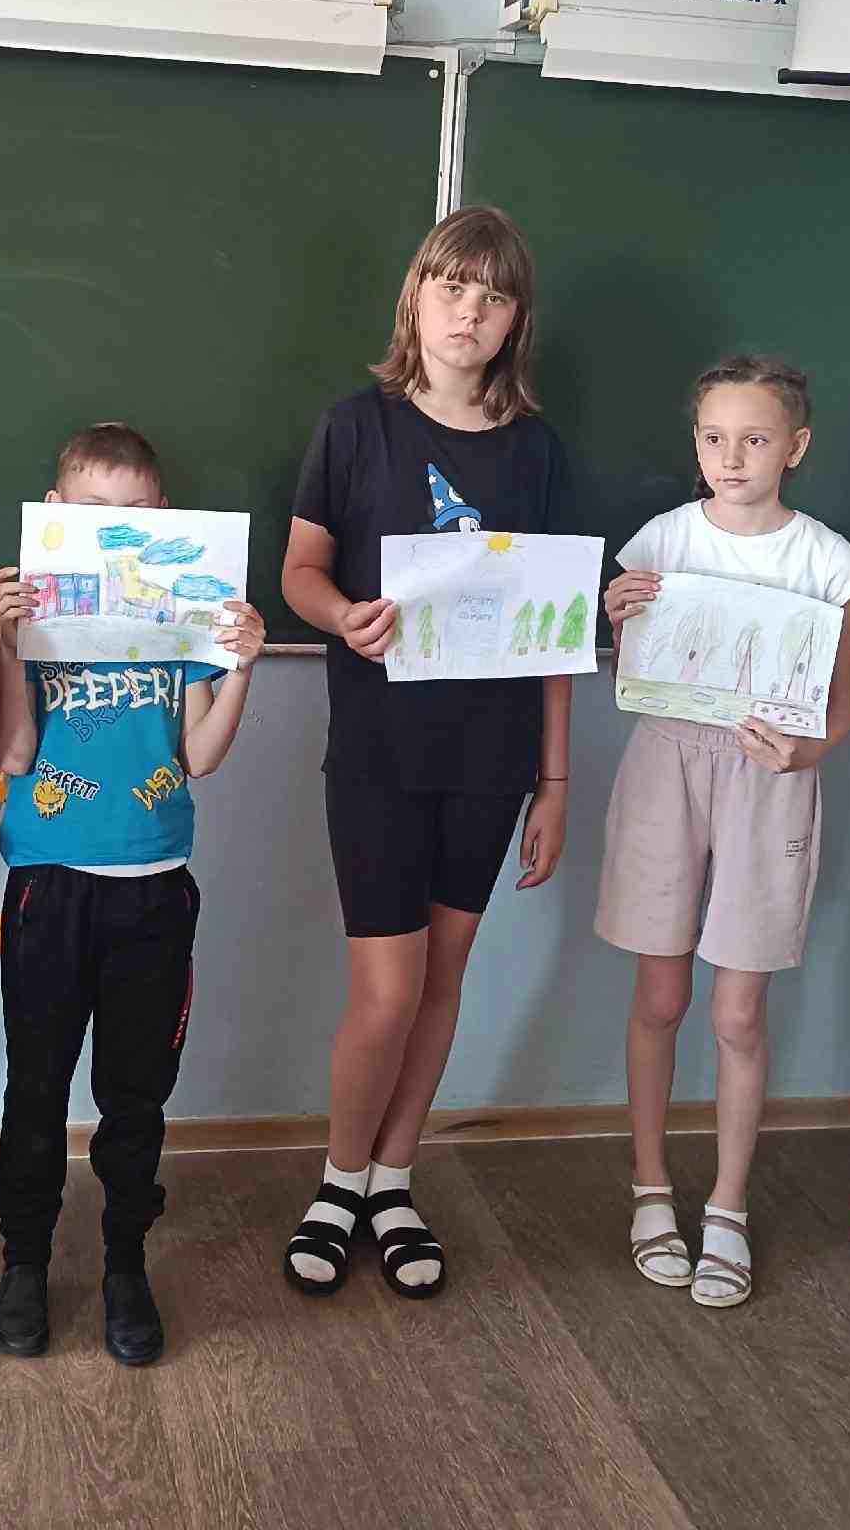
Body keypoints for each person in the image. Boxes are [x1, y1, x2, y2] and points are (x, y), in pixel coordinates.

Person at [279, 206, 573, 1301]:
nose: (469, 312)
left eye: (493, 297)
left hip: (491, 760)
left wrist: (555, 780)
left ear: (515, 321)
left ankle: (393, 1181)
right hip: (378, 752)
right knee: (386, 991)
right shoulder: (355, 428)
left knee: (445, 978)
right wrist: (341, 616)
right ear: (416, 296)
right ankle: (337, 1181)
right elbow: (300, 572)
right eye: (452, 286)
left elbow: (556, 631)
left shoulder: (538, 452)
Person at [0, 423, 265, 1366]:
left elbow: (201, 756)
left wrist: (241, 668)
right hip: (49, 889)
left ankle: (124, 1261)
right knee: (36, 1084)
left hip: (154, 891)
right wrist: (7, 647)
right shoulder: (31, 629)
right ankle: (24, 1259)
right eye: (96, 514)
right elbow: (14, 753)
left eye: (140, 516)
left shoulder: (180, 628)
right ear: (53, 514)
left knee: (136, 1093)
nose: (117, 532)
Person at [598, 355, 850, 1308]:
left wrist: (803, 755)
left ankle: (728, 1206)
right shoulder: (661, 539)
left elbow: (840, 706)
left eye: (755, 439)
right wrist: (613, 614)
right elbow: (631, 665)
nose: (732, 456)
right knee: (661, 996)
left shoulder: (827, 561)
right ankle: (649, 1187)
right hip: (667, 764)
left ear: (795, 446)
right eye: (714, 438)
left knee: (738, 1014)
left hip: (769, 775)